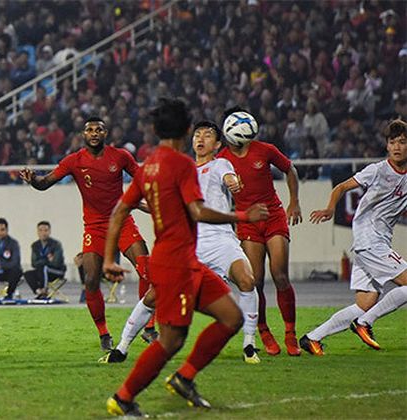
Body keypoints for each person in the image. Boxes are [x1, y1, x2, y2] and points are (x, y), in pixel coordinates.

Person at [103, 98, 269, 416]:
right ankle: (123, 397)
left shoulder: (148, 166)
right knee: (171, 340)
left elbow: (121, 209)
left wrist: (111, 258)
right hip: (176, 263)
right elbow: (198, 210)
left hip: (186, 259)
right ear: (185, 130)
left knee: (231, 317)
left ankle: (184, 377)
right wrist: (243, 216)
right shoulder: (181, 165)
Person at [20, 116, 152, 352]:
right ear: (83, 135)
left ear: (105, 133)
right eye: (89, 129)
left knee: (146, 267)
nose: (93, 133)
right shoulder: (74, 161)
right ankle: (104, 333)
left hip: (122, 222)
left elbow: (142, 180)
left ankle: (149, 326)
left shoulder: (120, 156)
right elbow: (45, 183)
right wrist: (33, 181)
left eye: (98, 129)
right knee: (90, 279)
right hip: (94, 227)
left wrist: (142, 202)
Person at [301, 119, 407, 354]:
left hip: (373, 243)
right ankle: (365, 323)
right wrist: (329, 208)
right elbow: (340, 187)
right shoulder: (378, 170)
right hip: (370, 240)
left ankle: (312, 338)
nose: (397, 147)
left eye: (402, 142)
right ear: (387, 146)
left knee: (364, 303)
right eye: (392, 142)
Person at [218, 107, 303, 356]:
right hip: (247, 223)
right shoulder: (222, 160)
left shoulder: (264, 150)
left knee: (280, 275)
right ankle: (264, 331)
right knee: (254, 281)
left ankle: (290, 333)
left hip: (273, 215)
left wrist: (294, 202)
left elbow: (290, 169)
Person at [24, 221, 66, 299]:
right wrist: (47, 259)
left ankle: (45, 291)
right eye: (40, 230)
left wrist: (42, 261)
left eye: (46, 230)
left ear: (49, 231)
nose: (43, 233)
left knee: (44, 268)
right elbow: (33, 263)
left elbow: (56, 262)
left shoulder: (56, 244)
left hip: (56, 271)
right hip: (41, 271)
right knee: (27, 274)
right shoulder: (35, 245)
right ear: (37, 232)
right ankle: (38, 292)